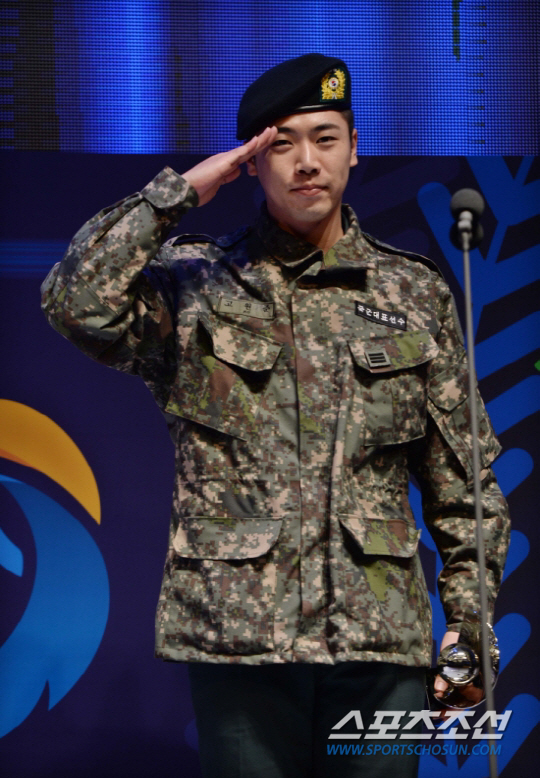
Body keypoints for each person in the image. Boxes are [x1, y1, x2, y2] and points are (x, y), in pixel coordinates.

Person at [41, 54, 510, 777]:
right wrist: (177, 195)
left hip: (380, 644)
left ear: (355, 148)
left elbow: (465, 486)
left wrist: (470, 631)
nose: (306, 162)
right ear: (250, 163)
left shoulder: (414, 295)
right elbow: (73, 303)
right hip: (241, 641)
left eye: (325, 138)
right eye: (281, 144)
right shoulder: (196, 284)